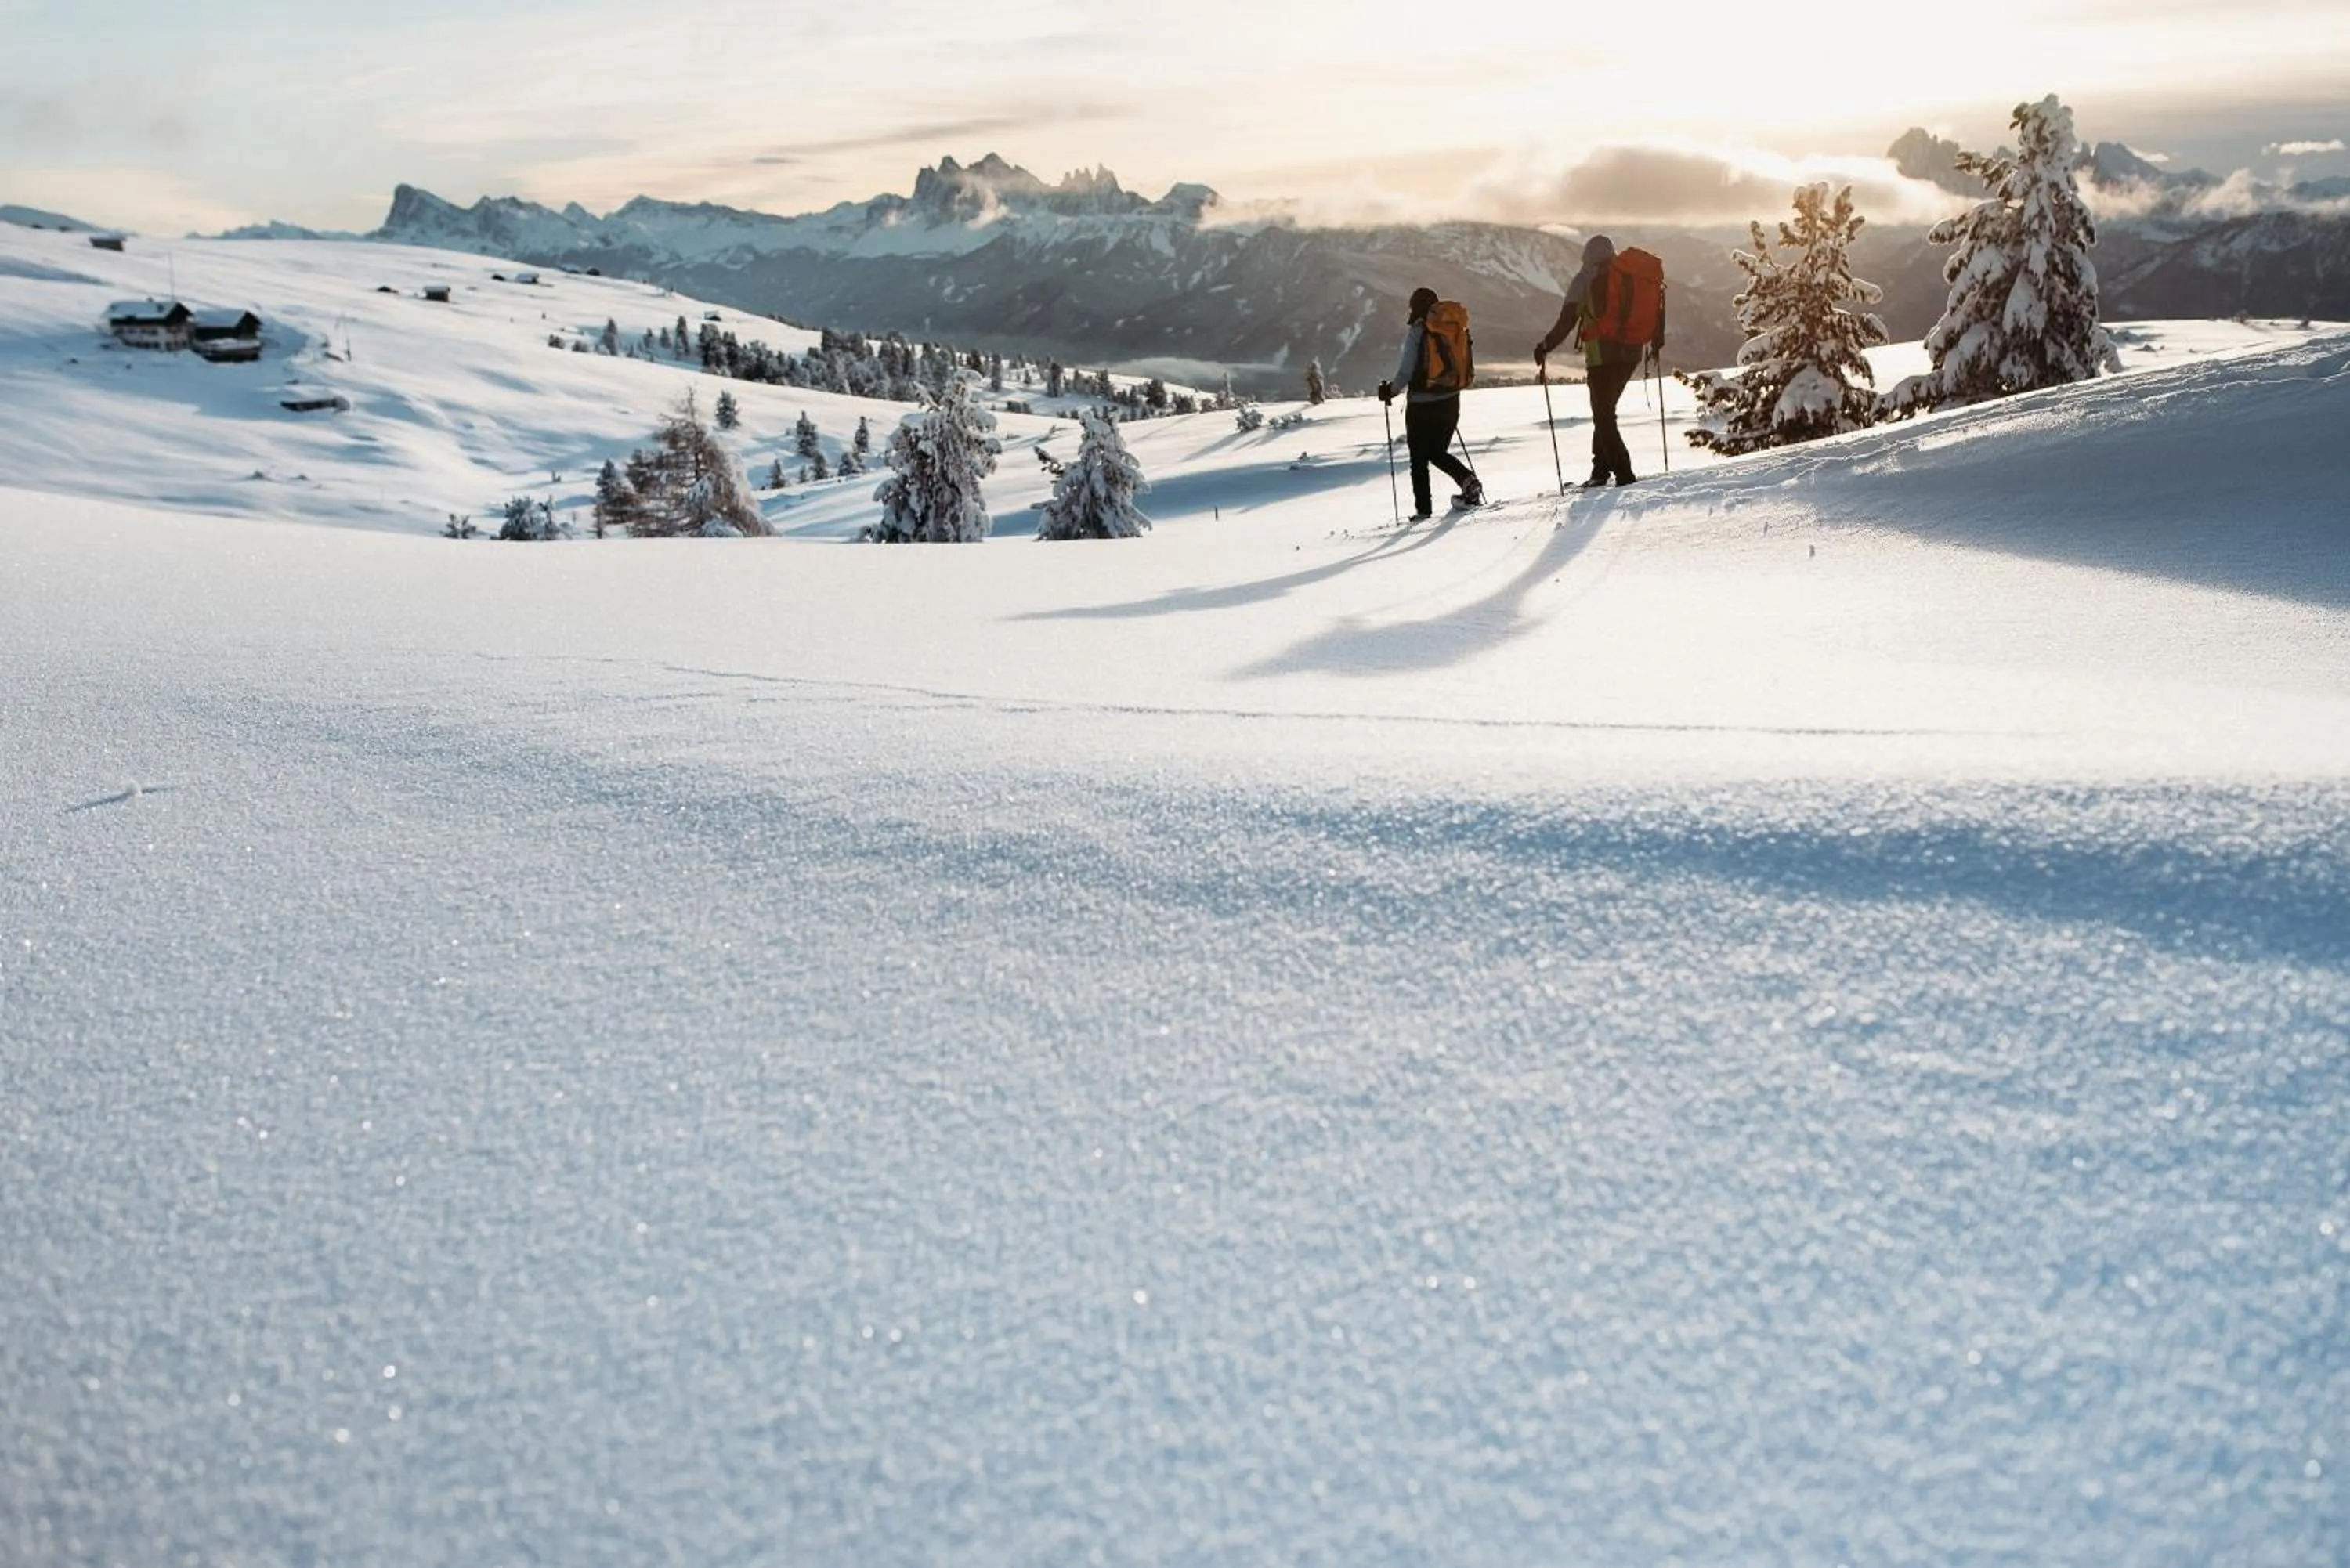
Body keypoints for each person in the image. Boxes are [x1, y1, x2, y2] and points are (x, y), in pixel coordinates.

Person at [1535, 234, 1655, 487]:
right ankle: (1599, 472)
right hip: (1632, 353)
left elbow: (1567, 320)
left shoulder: (1585, 279)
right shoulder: (1631, 275)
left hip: (1602, 356)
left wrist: (1546, 346)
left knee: (1603, 416)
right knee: (1604, 412)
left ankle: (1623, 473)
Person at [1377, 286, 1481, 521]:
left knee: (1419, 459)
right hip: (1451, 401)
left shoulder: (1418, 331)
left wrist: (1389, 392)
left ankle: (1423, 511)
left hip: (1422, 405)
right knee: (1437, 452)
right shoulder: (1455, 328)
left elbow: (1405, 372)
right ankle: (1468, 481)